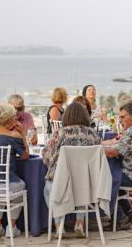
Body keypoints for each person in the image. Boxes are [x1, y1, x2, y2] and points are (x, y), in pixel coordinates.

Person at [42, 102, 101, 238]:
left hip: (61, 184)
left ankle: (59, 226)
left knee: (48, 189)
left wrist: (45, 152)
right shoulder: (93, 134)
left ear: (66, 116)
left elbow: (48, 160)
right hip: (86, 185)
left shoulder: (59, 134)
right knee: (81, 185)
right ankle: (79, 222)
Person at [0, 103, 29, 238]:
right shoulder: (14, 135)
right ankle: (12, 227)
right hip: (5, 185)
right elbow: (25, 156)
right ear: (9, 119)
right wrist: (22, 134)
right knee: (19, 185)